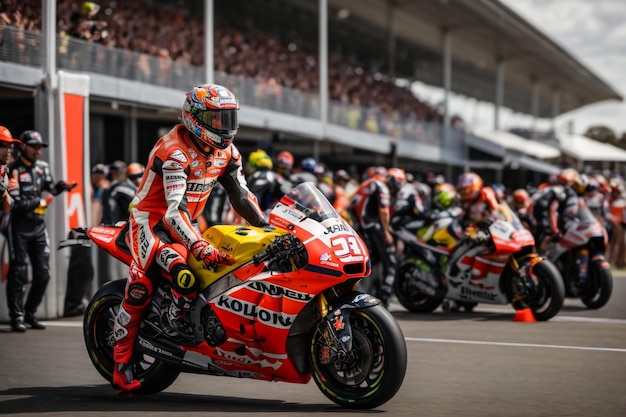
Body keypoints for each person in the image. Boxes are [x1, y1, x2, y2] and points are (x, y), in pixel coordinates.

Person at [111, 83, 268, 394]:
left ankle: (190, 317)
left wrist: (266, 226)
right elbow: (173, 211)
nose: (227, 128)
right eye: (220, 120)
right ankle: (120, 361)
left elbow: (241, 196)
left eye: (230, 119)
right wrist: (198, 244)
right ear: (197, 119)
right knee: (158, 280)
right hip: (150, 223)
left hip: (186, 223)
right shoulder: (174, 152)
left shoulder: (227, 152)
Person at [6, 130, 76, 332]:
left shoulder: (42, 169)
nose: (38, 151)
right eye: (34, 146)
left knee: (43, 274)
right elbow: (17, 205)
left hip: (38, 228)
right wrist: (43, 199)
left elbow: (50, 188)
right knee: (18, 273)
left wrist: (60, 187)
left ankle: (29, 313)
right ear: (23, 147)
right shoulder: (13, 170)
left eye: (40, 147)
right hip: (18, 228)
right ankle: (16, 317)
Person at [348, 167, 396, 307]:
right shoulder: (381, 185)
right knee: (390, 262)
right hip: (373, 227)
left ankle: (360, 295)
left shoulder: (365, 185)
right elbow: (384, 211)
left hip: (361, 227)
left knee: (370, 261)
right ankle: (384, 301)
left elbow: (352, 205)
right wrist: (386, 232)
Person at [445, 172, 501, 283]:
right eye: (462, 191)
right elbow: (461, 219)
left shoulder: (486, 193)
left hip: (493, 228)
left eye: (466, 190)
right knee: (461, 247)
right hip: (474, 230)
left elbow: (497, 211)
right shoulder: (463, 201)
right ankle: (452, 272)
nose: (463, 194)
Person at [0, 127, 20, 234]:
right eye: (3, 145)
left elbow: (7, 201)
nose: (8, 150)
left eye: (10, 146)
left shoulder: (4, 169)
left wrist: (9, 193)